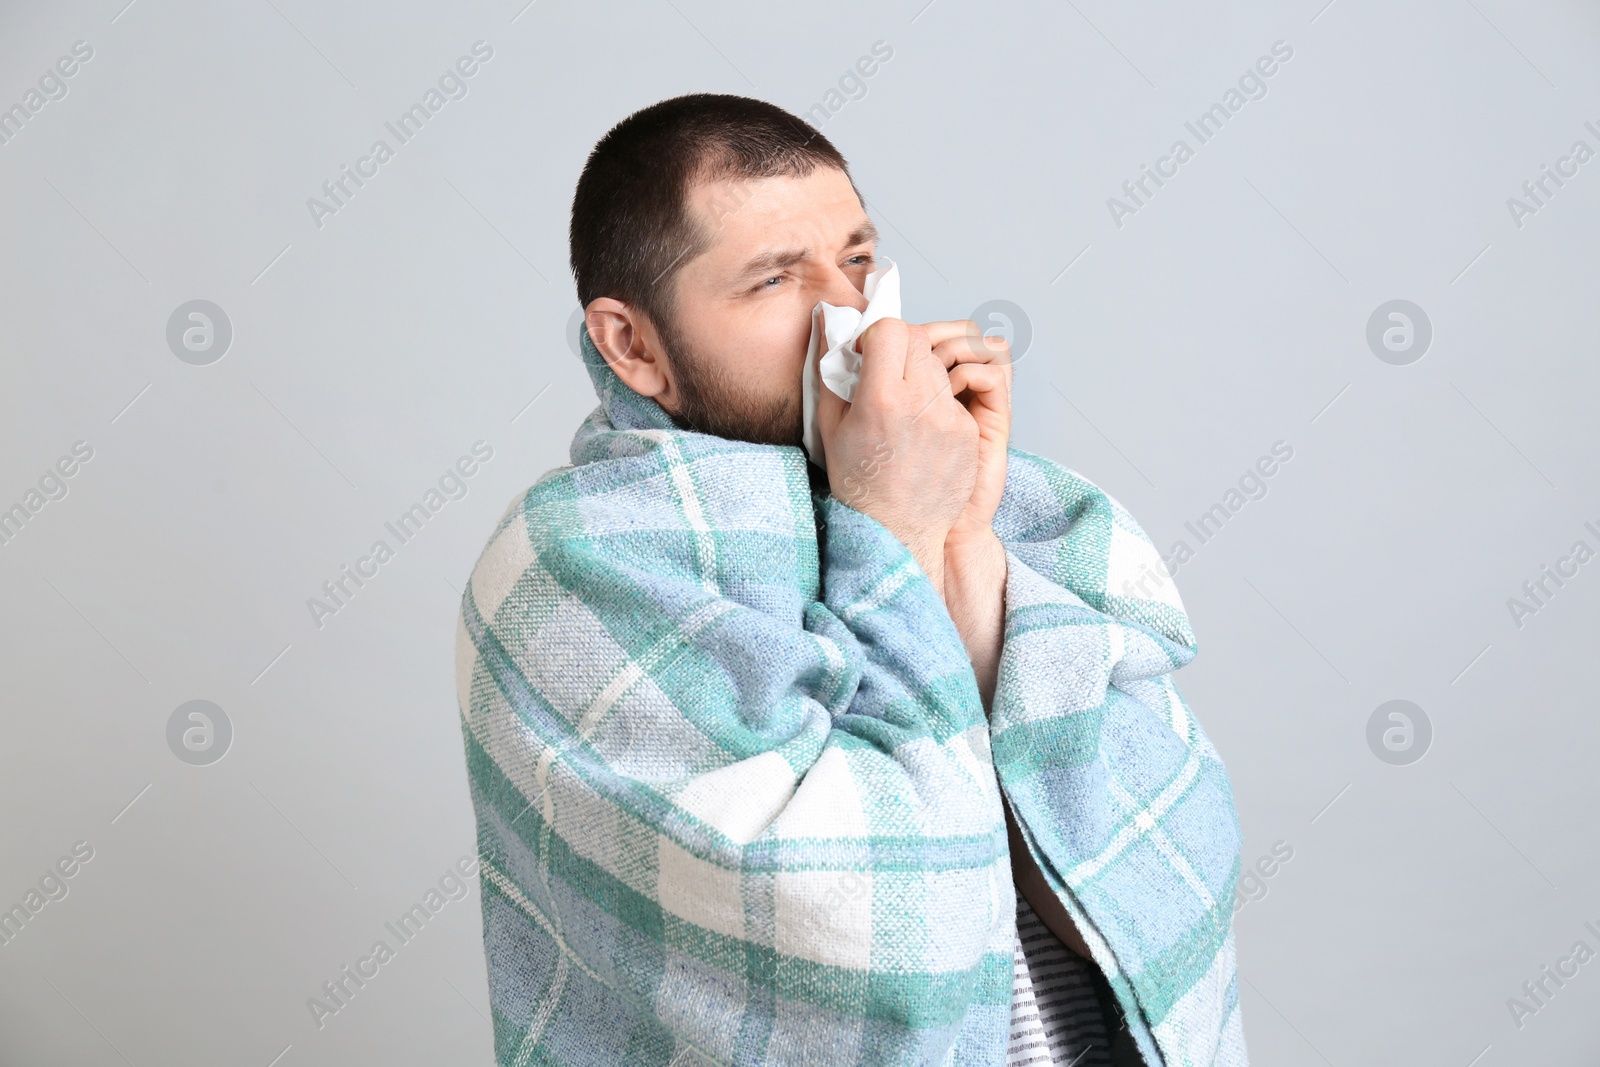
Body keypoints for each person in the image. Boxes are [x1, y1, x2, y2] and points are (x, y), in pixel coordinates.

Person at [456, 92, 1245, 1066]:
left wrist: (963, 541)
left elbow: (1149, 884)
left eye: (861, 261)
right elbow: (870, 948)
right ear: (634, 344)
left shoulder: (994, 503)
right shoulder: (574, 566)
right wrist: (897, 526)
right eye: (776, 281)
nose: (855, 320)